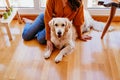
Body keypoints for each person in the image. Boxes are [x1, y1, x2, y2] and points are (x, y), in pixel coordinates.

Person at [22, 0, 92, 50]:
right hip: (46, 19)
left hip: (57, 27)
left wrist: (80, 36)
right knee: (26, 36)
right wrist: (48, 39)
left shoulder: (78, 2)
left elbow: (78, 21)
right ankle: (29, 23)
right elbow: (47, 18)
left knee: (41, 39)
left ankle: (35, 25)